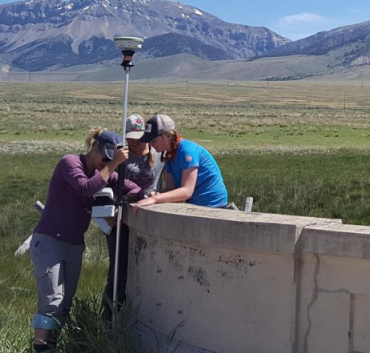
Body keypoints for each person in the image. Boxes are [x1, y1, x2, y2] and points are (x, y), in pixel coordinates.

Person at [29, 128, 140, 352]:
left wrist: (128, 201)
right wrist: (113, 164)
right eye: (104, 158)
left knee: (64, 304)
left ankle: (53, 347)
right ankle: (39, 348)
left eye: (110, 160)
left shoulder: (104, 172)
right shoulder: (70, 163)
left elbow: (134, 188)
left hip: (74, 246)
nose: (105, 164)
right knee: (52, 300)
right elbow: (86, 188)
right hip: (49, 241)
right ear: (94, 148)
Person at [103, 114, 163, 317]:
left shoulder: (157, 154)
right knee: (119, 270)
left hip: (149, 217)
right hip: (121, 219)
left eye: (138, 137)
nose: (135, 142)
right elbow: (105, 182)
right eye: (130, 137)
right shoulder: (120, 156)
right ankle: (109, 316)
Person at [133, 114, 229, 211]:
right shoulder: (169, 156)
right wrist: (159, 194)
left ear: (167, 136)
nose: (150, 144)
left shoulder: (187, 151)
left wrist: (155, 199)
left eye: (153, 140)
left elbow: (187, 191)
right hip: (195, 205)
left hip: (213, 205)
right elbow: (172, 189)